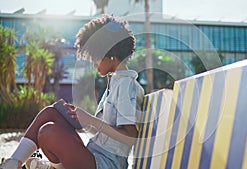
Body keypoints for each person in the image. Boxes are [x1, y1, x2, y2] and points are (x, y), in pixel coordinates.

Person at [0, 15, 145, 169]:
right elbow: (105, 132)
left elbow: (130, 136)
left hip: (105, 164)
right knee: (50, 113)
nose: (94, 64)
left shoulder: (125, 85)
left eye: (95, 57)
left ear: (111, 56)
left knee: (49, 132)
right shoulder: (115, 83)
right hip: (93, 155)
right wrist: (80, 120)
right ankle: (13, 164)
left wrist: (91, 120)